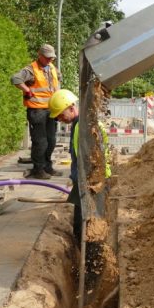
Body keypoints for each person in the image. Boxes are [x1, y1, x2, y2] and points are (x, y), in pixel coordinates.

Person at [48, 89, 110, 245]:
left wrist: (89, 185)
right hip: (85, 182)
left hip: (92, 184)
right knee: (80, 227)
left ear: (71, 107)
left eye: (61, 114)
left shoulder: (85, 127)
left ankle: (91, 264)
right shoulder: (79, 125)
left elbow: (94, 158)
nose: (60, 119)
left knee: (89, 229)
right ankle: (86, 258)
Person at [11, 44, 61, 179]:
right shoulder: (31, 70)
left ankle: (47, 166)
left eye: (52, 58)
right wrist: (27, 90)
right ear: (40, 55)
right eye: (47, 58)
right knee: (41, 142)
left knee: (51, 140)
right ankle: (38, 169)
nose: (50, 60)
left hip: (51, 110)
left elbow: (57, 85)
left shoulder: (53, 69)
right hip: (37, 111)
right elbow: (15, 79)